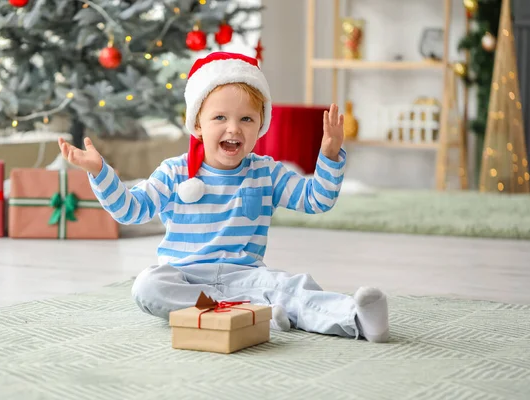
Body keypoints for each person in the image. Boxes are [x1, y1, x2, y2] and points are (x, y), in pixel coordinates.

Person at [58, 51, 389, 343]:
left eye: (246, 119)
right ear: (197, 125)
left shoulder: (266, 172)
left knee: (294, 286)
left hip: (246, 276)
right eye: (220, 118)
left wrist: (329, 155)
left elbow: (317, 199)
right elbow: (130, 210)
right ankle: (251, 314)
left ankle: (357, 320)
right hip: (186, 278)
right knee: (147, 286)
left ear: (260, 126)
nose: (234, 128)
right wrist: (100, 172)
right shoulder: (174, 173)